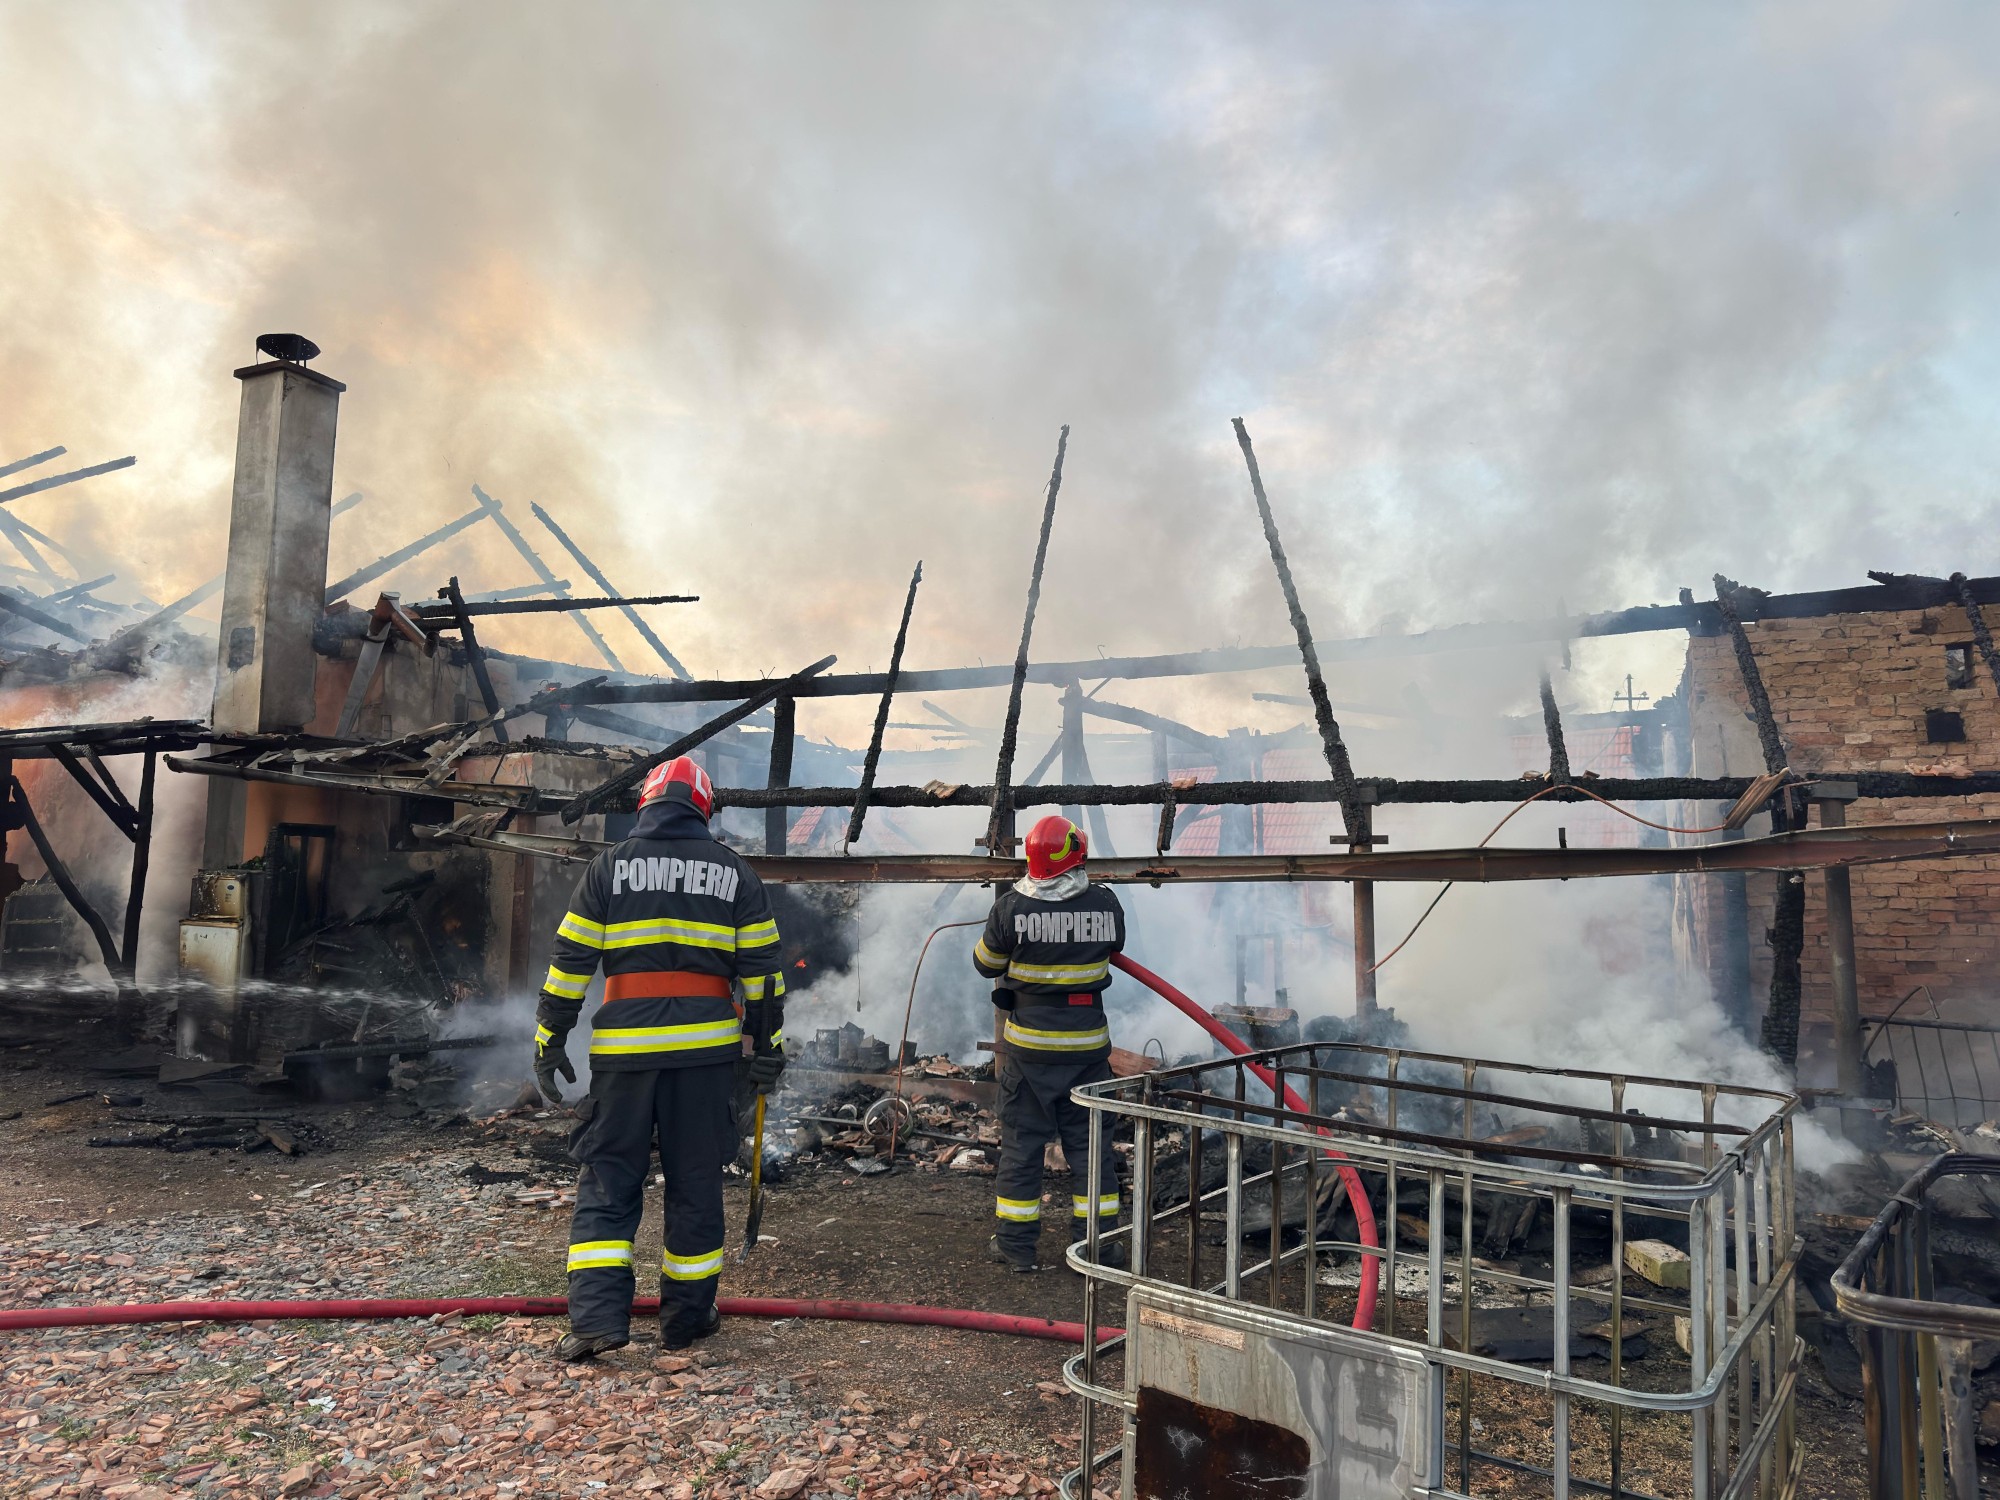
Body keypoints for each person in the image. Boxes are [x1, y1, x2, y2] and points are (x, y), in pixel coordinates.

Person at [532, 755, 787, 1360]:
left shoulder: (609, 867)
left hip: (623, 1056)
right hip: (704, 1060)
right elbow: (764, 975)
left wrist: (550, 1037)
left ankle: (597, 1320)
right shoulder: (734, 872)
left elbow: (571, 962)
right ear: (703, 808)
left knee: (609, 1180)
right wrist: (767, 1048)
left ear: (645, 803)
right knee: (695, 1184)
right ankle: (686, 1320)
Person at [973, 814, 1126, 1273]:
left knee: (1022, 1150)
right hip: (1087, 1054)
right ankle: (1096, 1249)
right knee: (1091, 1153)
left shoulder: (1010, 909)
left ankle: (1016, 1248)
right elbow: (1115, 945)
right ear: (1076, 855)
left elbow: (985, 964)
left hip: (1030, 1057)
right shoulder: (1106, 903)